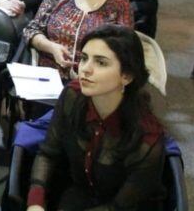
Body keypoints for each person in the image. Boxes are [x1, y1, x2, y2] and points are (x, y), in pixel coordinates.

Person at [26, 25, 165, 211]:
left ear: (127, 76)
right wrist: (35, 202)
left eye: (101, 63)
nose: (85, 69)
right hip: (80, 194)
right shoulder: (72, 95)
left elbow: (119, 207)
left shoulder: (147, 138)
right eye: (84, 59)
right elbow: (48, 152)